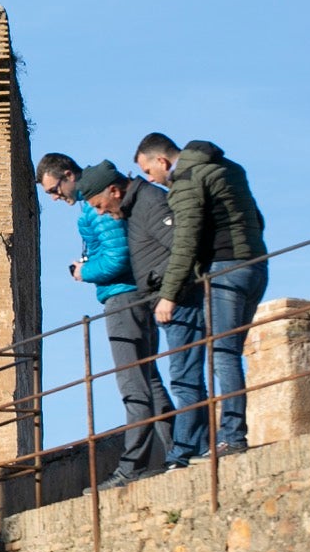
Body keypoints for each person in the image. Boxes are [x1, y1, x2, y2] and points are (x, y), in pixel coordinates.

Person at [134, 133, 269, 455]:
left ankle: (232, 437)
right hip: (256, 265)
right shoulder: (228, 167)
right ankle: (230, 433)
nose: (151, 180)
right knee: (230, 350)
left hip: (225, 270)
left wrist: (169, 294)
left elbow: (185, 242)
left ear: (162, 161)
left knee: (223, 353)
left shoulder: (186, 180)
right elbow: (257, 219)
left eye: (149, 172)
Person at [73, 161, 176, 487]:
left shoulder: (96, 211)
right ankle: (177, 452)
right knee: (149, 379)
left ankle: (134, 467)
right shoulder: (107, 205)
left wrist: (83, 272)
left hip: (123, 298)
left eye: (52, 190)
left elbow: (117, 257)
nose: (53, 198)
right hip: (142, 295)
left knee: (133, 384)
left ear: (67, 178)